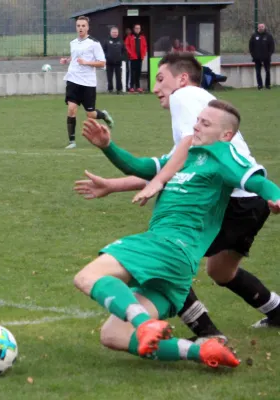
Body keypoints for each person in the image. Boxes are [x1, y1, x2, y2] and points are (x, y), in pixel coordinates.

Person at [74, 52, 280, 342]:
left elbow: (177, 157)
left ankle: (207, 336)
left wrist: (158, 181)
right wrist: (112, 180)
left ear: (183, 79)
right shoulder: (198, 130)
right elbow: (163, 166)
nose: (155, 88)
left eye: (160, 79)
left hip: (234, 198)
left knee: (174, 254)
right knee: (220, 271)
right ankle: (277, 310)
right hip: (246, 201)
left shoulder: (186, 98)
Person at [60, 15, 114, 150]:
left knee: (90, 114)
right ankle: (72, 141)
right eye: (78, 26)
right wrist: (67, 60)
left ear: (88, 27)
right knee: (71, 109)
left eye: (83, 26)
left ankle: (104, 115)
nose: (80, 28)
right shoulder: (73, 42)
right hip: (73, 79)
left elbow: (102, 63)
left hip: (88, 83)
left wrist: (86, 62)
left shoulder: (94, 43)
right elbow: (75, 56)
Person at [249, 23, 275, 90]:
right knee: (258, 72)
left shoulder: (269, 36)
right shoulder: (254, 36)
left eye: (262, 27)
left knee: (267, 71)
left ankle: (267, 85)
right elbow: (251, 46)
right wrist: (253, 55)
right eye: (260, 27)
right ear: (258, 28)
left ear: (264, 27)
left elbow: (272, 47)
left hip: (266, 58)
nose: (261, 28)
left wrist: (269, 55)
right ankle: (260, 85)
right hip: (257, 58)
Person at [103, 26, 126, 94]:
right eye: (113, 32)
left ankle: (119, 90)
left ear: (118, 33)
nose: (114, 33)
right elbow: (103, 50)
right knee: (109, 77)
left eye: (116, 32)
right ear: (110, 33)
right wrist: (106, 57)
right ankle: (110, 89)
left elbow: (124, 51)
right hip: (109, 62)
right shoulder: (106, 40)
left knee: (119, 77)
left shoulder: (121, 41)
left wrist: (122, 57)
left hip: (118, 63)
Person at [124, 24, 147, 93]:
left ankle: (138, 87)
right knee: (132, 73)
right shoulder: (129, 37)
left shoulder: (142, 37)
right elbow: (126, 46)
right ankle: (131, 87)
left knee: (138, 73)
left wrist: (143, 54)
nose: (137, 29)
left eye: (139, 28)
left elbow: (145, 46)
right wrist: (131, 54)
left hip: (140, 58)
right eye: (136, 28)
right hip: (132, 58)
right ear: (134, 29)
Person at [124, 28, 132, 92]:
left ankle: (128, 86)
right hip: (126, 58)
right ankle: (127, 86)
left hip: (130, 58)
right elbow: (126, 47)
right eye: (127, 31)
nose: (128, 32)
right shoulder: (126, 38)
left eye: (129, 31)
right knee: (127, 72)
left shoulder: (131, 37)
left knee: (129, 72)